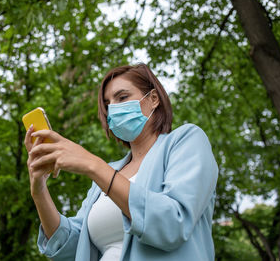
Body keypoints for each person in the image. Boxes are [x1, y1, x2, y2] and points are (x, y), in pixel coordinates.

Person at [25, 63, 219, 261]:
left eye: (122, 97)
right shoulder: (108, 172)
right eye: (108, 103)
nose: (113, 109)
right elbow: (73, 248)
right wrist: (39, 191)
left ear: (153, 99)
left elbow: (173, 223)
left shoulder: (186, 141)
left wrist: (93, 165)